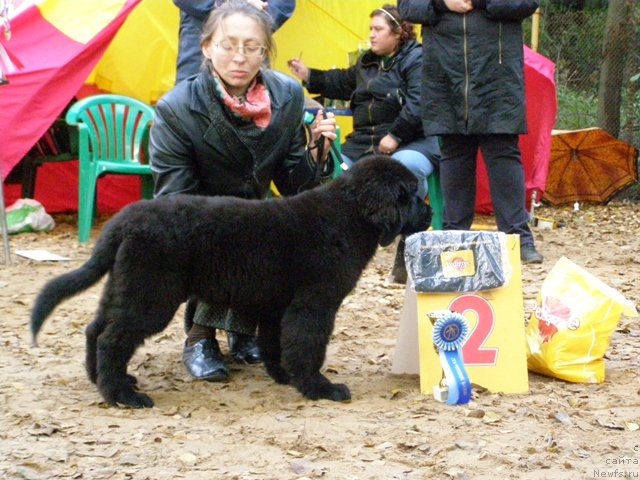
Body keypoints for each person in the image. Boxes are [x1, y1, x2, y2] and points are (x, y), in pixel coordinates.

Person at [149, 0, 337, 382]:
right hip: (196, 212)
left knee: (278, 227)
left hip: (254, 208)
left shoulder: (286, 96)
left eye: (252, 47)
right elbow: (173, 200)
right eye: (228, 45)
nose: (240, 57)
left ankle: (243, 330)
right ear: (206, 48)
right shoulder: (177, 108)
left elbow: (292, 185)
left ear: (265, 52)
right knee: (231, 232)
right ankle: (200, 337)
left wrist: (317, 152)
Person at [287, 4, 440, 282]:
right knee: (334, 173)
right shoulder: (366, 62)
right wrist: (309, 75)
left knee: (406, 169)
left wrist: (395, 135)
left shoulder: (417, 59)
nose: (371, 35)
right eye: (371, 29)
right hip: (365, 144)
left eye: (378, 29)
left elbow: (421, 104)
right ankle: (335, 248)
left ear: (398, 33)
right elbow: (342, 81)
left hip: (413, 141)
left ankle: (409, 244)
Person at [398, 0, 543, 264]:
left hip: (496, 73)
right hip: (445, 69)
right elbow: (407, 7)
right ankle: (454, 238)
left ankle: (518, 238)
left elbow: (527, 3)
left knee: (502, 153)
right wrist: (443, 2)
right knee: (454, 153)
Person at [173, 0, 296, 84]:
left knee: (253, 106)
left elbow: (283, 4)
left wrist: (257, 16)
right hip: (201, 35)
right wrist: (231, 5)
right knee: (192, 105)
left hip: (253, 32)